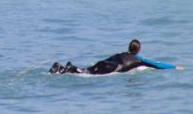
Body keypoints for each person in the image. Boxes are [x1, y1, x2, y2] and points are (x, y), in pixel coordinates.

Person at [50, 39, 182, 75]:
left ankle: (67, 68)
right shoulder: (139, 59)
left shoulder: (120, 53)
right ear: (138, 49)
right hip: (111, 68)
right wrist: (174, 66)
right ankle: (67, 69)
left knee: (87, 70)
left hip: (104, 62)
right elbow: (157, 65)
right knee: (89, 74)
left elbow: (108, 59)